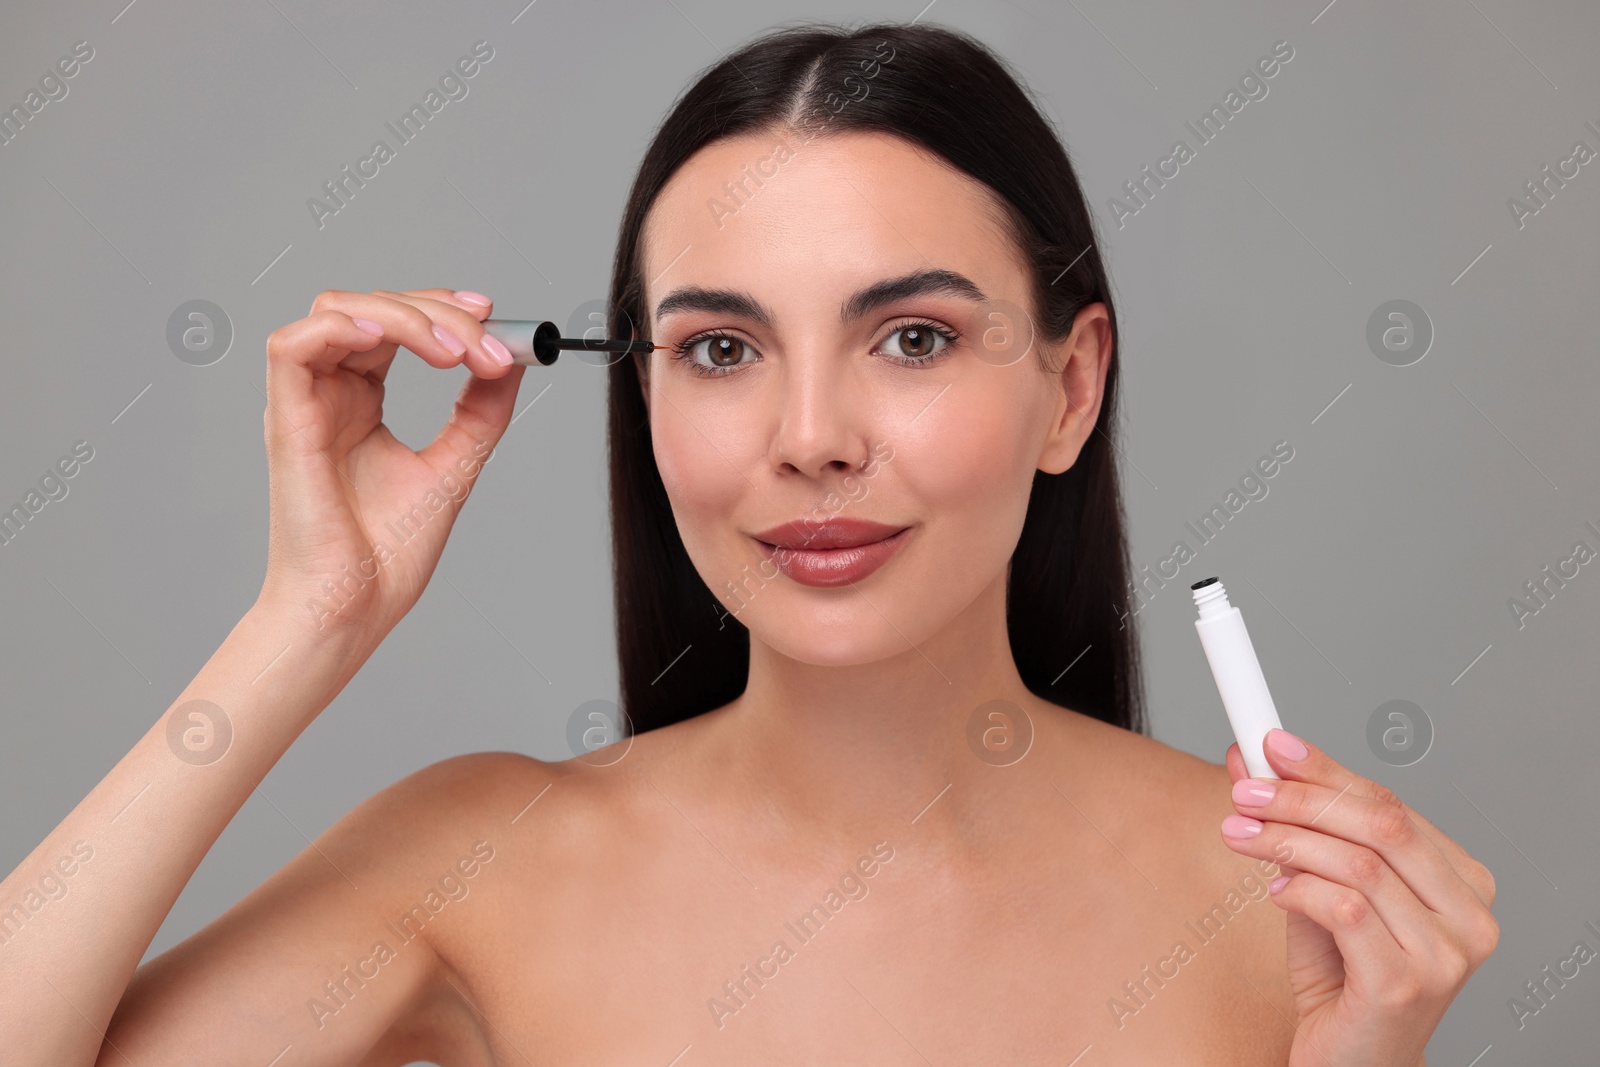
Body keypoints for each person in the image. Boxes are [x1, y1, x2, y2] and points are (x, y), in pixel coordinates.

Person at [1, 21, 1496, 1066]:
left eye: (911, 337)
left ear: (1072, 385)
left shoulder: (1295, 917)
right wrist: (306, 620)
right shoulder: (480, 866)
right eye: (722, 351)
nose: (812, 436)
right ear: (644, 396)